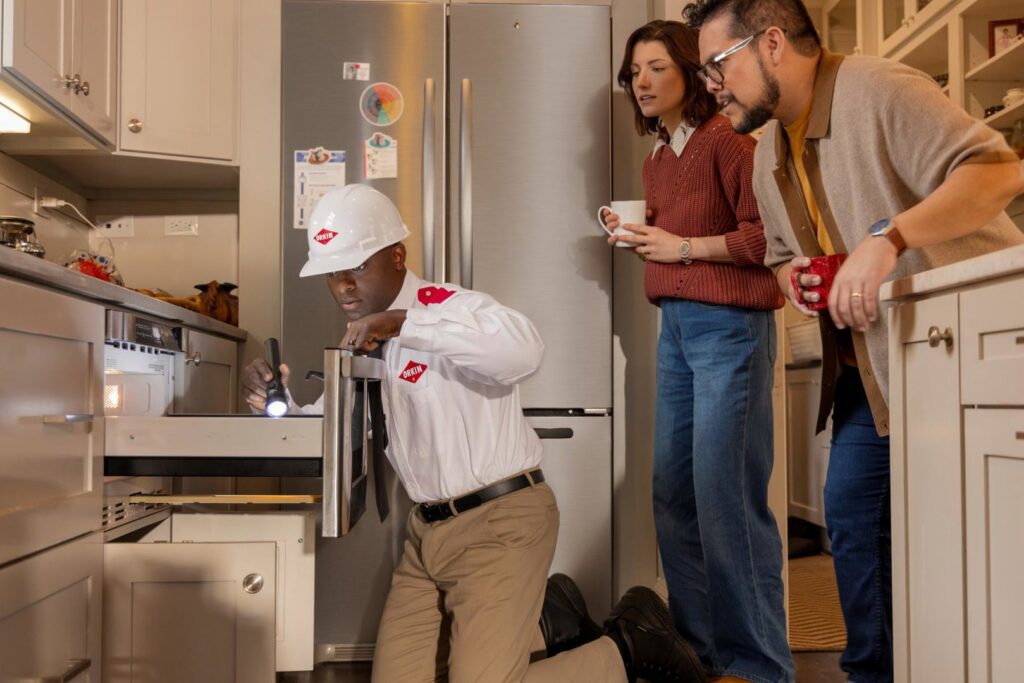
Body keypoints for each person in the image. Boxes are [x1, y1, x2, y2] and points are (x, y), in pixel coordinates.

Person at [242, 184, 706, 683]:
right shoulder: (359, 340)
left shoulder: (449, 306)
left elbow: (525, 352)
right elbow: (343, 425)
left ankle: (630, 645)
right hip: (426, 537)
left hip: (500, 525)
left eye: (356, 267)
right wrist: (280, 404)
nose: (344, 287)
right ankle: (550, 622)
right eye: (332, 274)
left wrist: (407, 325)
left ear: (397, 256)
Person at [683, 1, 1024, 680]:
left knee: (979, 546)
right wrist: (796, 279)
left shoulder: (881, 88)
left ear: (772, 42)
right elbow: (779, 257)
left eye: (717, 65)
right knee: (854, 521)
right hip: (875, 370)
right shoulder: (767, 154)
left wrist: (888, 238)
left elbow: (998, 173)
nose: (710, 85)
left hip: (979, 352)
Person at [602, 20, 791, 683]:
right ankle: (704, 654)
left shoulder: (730, 142)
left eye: (657, 67)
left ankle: (759, 665)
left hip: (729, 326)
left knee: (726, 496)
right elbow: (678, 239)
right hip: (678, 328)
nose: (643, 82)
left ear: (691, 71)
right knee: (673, 493)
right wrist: (647, 239)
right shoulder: (660, 158)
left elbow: (769, 237)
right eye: (634, 72)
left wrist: (680, 247)